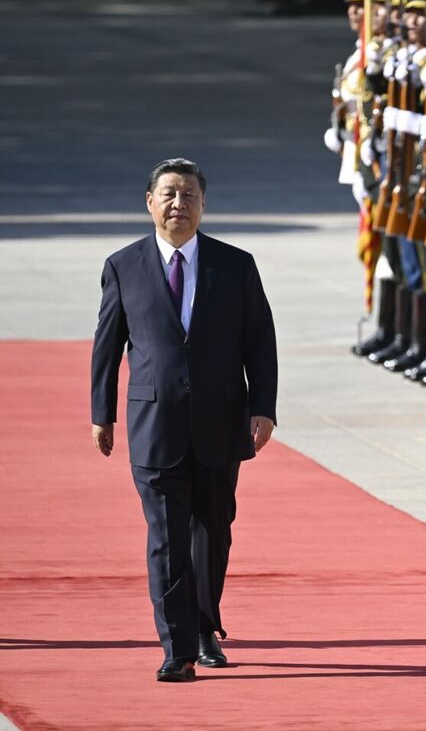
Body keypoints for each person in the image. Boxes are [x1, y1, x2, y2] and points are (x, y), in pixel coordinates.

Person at [90, 158, 278, 683]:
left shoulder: (235, 265)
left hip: (222, 421)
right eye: (169, 194)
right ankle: (177, 648)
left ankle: (203, 627)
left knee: (212, 532)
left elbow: (259, 342)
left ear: (203, 204)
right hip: (154, 424)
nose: (180, 204)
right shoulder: (123, 265)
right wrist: (100, 413)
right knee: (167, 536)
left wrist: (263, 407)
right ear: (149, 202)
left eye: (190, 195)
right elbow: (107, 348)